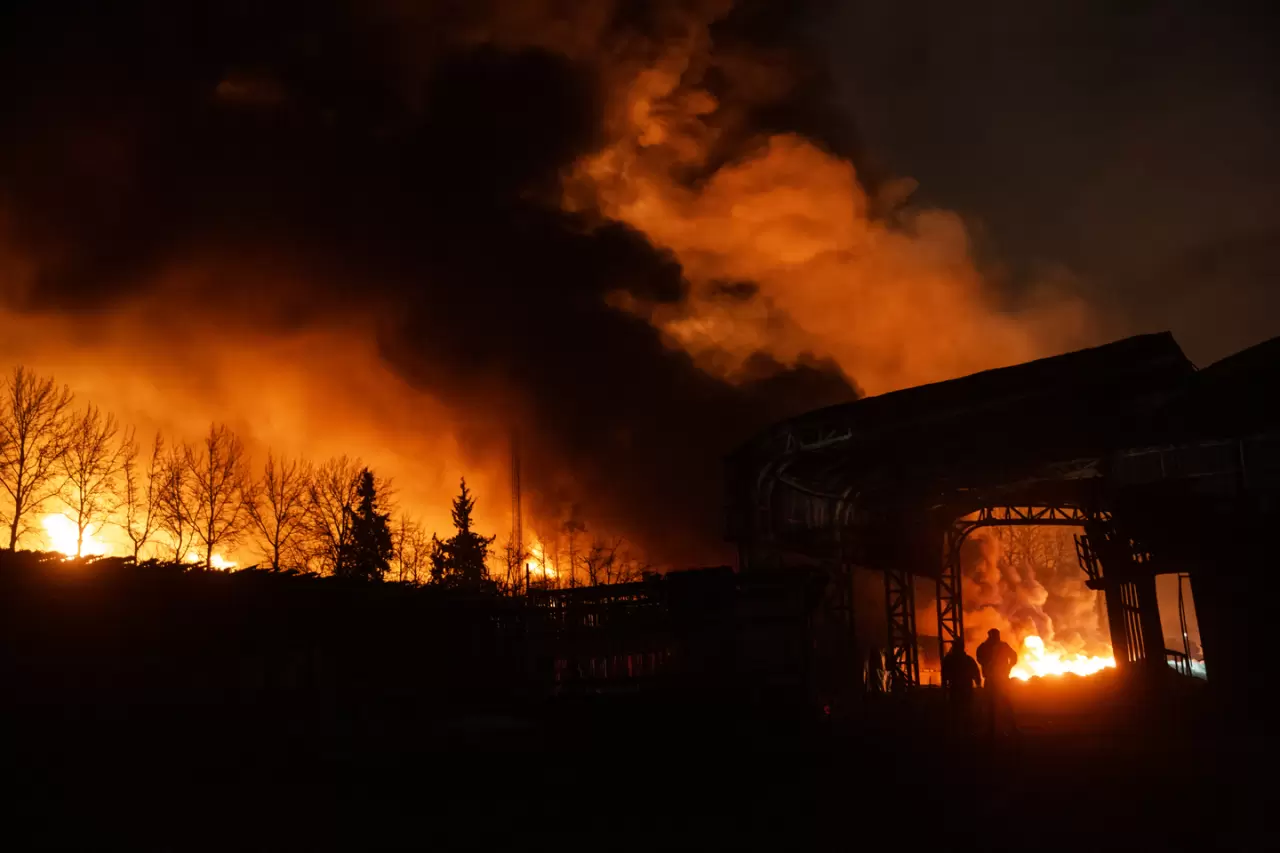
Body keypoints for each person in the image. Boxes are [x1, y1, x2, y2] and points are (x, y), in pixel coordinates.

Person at [975, 628, 1018, 735]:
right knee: (999, 703)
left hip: (997, 678)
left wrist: (1008, 667)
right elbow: (979, 658)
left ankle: (1003, 727)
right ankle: (1004, 727)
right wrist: (1008, 667)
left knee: (1000, 703)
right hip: (996, 679)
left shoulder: (989, 646)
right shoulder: (992, 646)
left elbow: (1014, 657)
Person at [941, 642, 981, 731]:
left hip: (955, 689)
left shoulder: (949, 660)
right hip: (966, 690)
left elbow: (944, 675)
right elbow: (976, 673)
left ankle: (956, 730)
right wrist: (978, 684)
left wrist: (944, 687)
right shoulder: (968, 660)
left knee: (955, 711)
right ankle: (967, 730)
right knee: (967, 710)